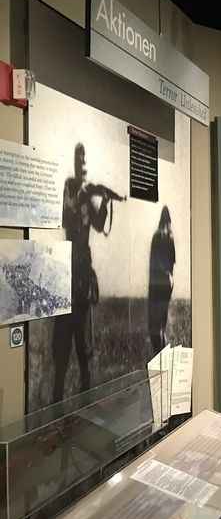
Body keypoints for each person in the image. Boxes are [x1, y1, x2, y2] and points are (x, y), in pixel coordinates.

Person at [51, 143, 126, 404]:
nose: (81, 165)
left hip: (82, 276)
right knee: (61, 346)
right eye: (78, 160)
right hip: (65, 273)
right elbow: (65, 214)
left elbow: (99, 224)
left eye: (84, 161)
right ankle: (56, 405)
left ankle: (85, 401)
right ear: (74, 164)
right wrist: (82, 196)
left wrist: (105, 201)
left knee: (83, 346)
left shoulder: (86, 194)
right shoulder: (70, 189)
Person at [148, 207, 176, 355]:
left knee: (154, 325)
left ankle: (158, 356)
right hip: (166, 283)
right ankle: (163, 356)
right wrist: (169, 278)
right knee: (161, 325)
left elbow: (154, 263)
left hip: (155, 284)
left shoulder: (156, 236)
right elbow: (172, 264)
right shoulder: (170, 237)